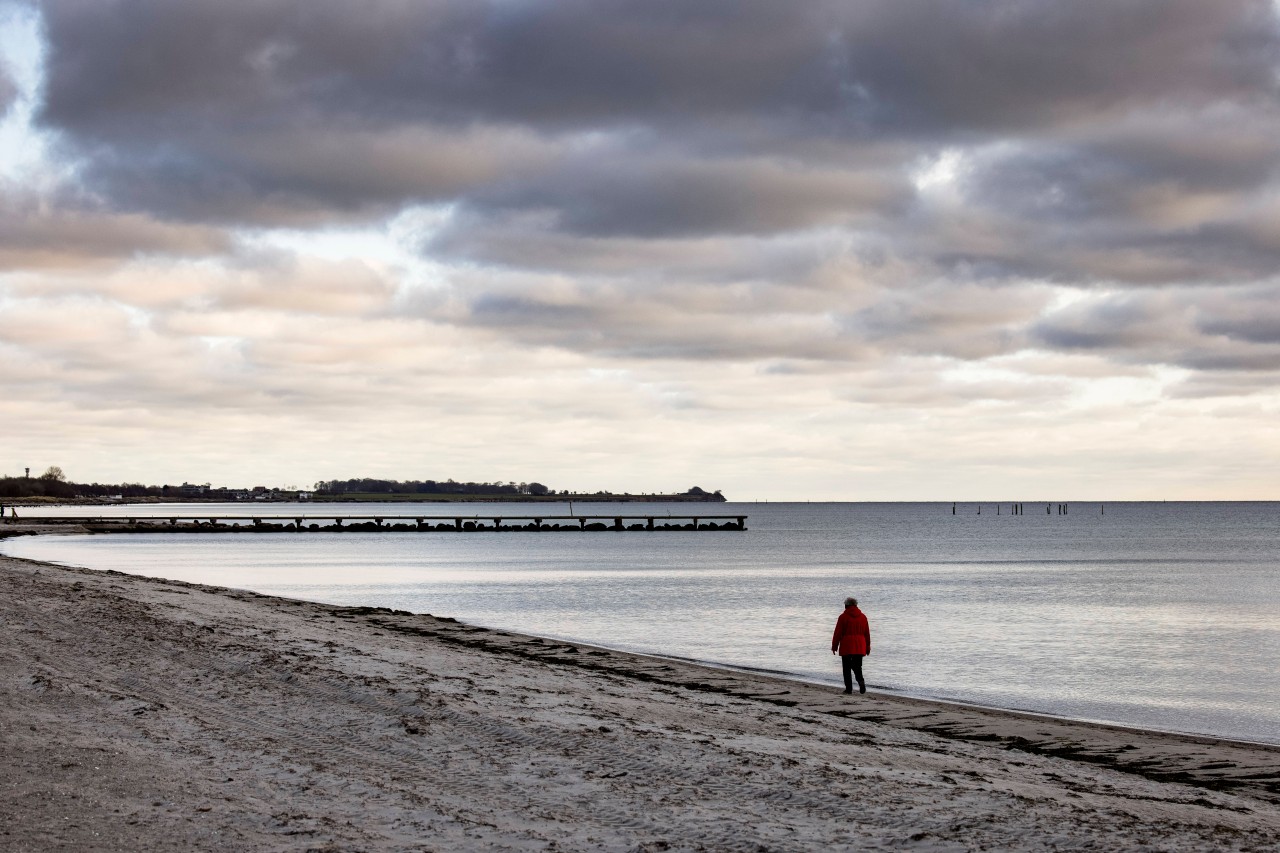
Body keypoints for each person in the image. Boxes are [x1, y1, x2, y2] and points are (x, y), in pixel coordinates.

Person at [831, 596, 871, 694]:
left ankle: (849, 689)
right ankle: (861, 682)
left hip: (847, 645)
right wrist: (868, 646)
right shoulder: (863, 617)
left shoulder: (843, 617)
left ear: (846, 606)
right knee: (858, 666)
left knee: (846, 668)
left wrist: (834, 646)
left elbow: (838, 633)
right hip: (860, 645)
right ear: (856, 605)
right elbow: (867, 633)